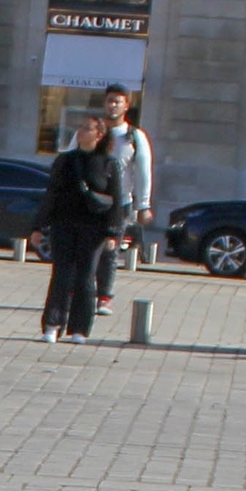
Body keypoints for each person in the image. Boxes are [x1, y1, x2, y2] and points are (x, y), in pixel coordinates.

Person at [34, 113, 121, 344]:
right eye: (80, 127)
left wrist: (113, 232)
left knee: (86, 276)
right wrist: (38, 227)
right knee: (61, 273)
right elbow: (51, 194)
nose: (80, 132)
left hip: (94, 228)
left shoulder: (109, 163)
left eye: (87, 128)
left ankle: (79, 329)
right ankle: (52, 324)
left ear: (99, 135)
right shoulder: (65, 160)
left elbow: (116, 200)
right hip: (64, 224)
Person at [94, 86, 153, 318]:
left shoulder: (134, 136)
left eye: (118, 102)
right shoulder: (93, 130)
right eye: (110, 101)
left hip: (120, 203)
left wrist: (143, 205)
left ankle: (104, 297)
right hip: (91, 201)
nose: (113, 106)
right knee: (87, 249)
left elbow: (143, 171)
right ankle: (79, 291)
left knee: (110, 250)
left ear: (126, 105)